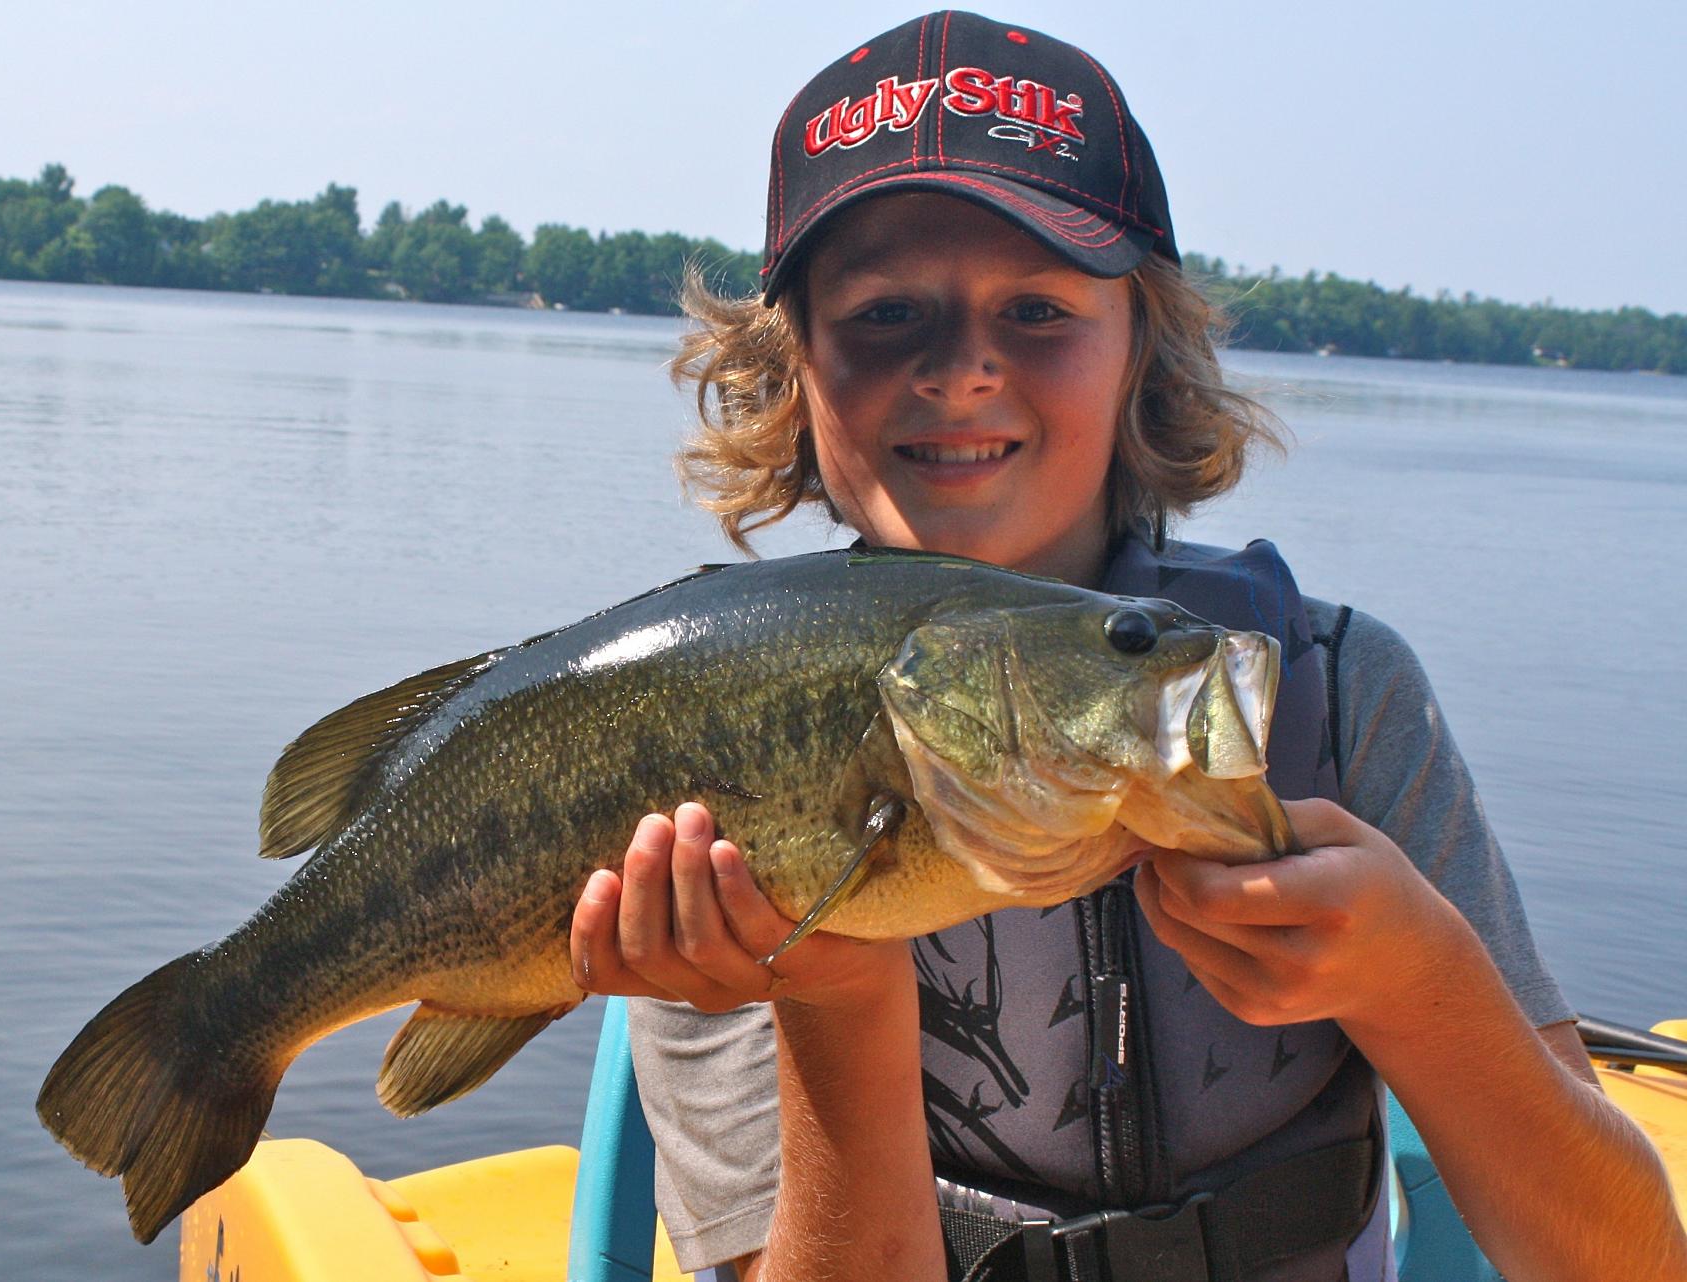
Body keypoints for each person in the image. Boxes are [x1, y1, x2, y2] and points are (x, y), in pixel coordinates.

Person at [568, 13, 1687, 1281]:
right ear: (795, 368)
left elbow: (1626, 1259)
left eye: (1038, 308)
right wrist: (835, 994)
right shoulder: (710, 744)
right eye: (886, 315)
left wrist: (1419, 981)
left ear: (1140, 346)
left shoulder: (1332, 696)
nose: (963, 369)